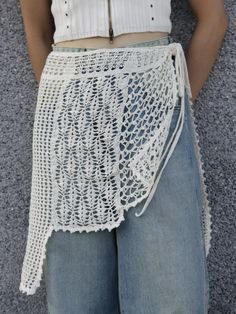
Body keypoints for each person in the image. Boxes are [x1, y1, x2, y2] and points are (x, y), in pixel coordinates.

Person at [19, 0, 228, 313]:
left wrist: (174, 102)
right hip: (72, 107)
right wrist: (65, 103)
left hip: (154, 90)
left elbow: (214, 18)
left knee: (173, 290)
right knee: (78, 293)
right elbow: (36, 31)